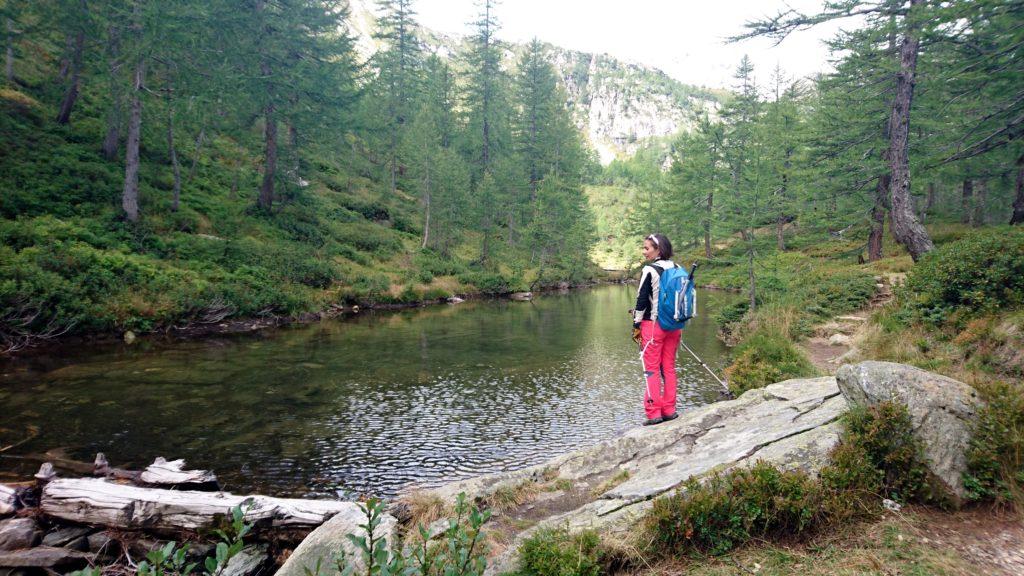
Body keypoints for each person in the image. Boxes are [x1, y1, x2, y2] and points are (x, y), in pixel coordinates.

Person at [631, 233, 681, 426]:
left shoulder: (649, 270)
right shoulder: (677, 267)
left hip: (653, 326)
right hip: (675, 325)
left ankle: (653, 413)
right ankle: (669, 410)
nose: (644, 252)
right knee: (668, 367)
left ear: (658, 250)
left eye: (647, 248)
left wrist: (636, 324)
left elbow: (641, 300)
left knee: (651, 369)